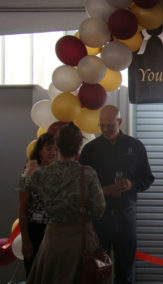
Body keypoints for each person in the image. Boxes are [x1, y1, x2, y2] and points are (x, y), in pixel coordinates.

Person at [19, 123, 106, 284]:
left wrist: (29, 170)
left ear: (58, 145)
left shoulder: (43, 173)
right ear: (78, 147)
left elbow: (24, 186)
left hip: (53, 240)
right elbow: (99, 210)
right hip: (81, 240)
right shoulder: (87, 174)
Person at [80, 105, 154, 284]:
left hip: (126, 217)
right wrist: (103, 191)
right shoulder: (90, 150)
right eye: (102, 125)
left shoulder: (135, 146)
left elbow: (148, 178)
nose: (105, 130)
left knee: (125, 271)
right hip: (100, 218)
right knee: (98, 271)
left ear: (119, 122)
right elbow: (81, 187)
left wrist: (132, 184)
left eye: (110, 126)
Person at [18, 132, 57, 276]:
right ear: (40, 150)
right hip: (35, 230)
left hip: (56, 230)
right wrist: (26, 241)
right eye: (49, 149)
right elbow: (22, 208)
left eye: (56, 149)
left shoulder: (61, 172)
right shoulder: (28, 172)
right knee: (34, 273)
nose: (53, 152)